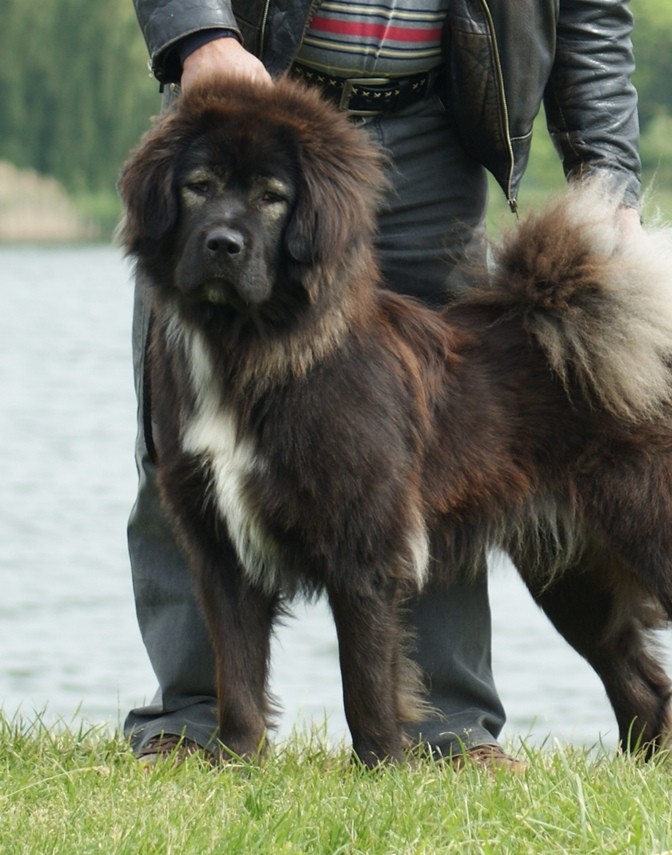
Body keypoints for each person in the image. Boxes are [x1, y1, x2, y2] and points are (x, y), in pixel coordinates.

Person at [125, 0, 642, 769]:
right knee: (191, 439)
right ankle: (197, 720)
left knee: (448, 444)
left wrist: (609, 173)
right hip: (245, 110)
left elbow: (588, 11)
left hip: (434, 128)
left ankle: (445, 729)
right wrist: (197, 35)